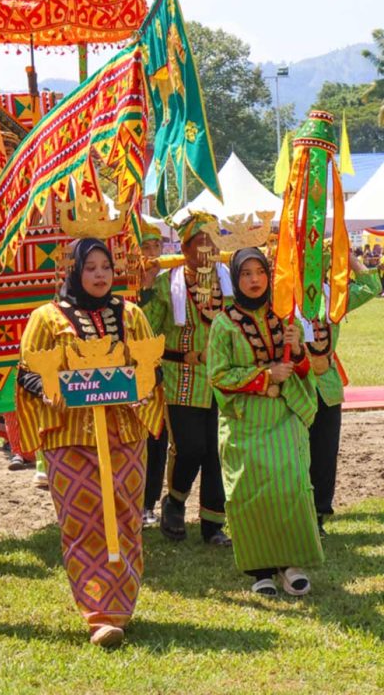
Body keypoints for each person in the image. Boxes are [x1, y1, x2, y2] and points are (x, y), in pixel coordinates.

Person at [15, 239, 163, 647]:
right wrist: (46, 390)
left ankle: (122, 609)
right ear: (75, 271)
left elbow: (150, 366)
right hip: (69, 437)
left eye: (106, 267)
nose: (99, 275)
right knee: (82, 522)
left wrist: (146, 387)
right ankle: (98, 614)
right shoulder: (46, 318)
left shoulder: (131, 314)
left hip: (124, 434)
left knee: (125, 518)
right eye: (91, 267)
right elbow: (26, 371)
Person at [208, 248, 322, 597]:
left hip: (285, 418)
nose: (254, 280)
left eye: (260, 272)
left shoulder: (285, 319)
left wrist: (298, 351)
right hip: (245, 422)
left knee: (290, 487)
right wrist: (264, 375)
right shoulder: (224, 323)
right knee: (250, 493)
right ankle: (260, 569)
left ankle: (290, 564)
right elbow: (218, 375)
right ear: (235, 278)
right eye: (246, 274)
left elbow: (305, 371)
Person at [141, 212, 230, 546]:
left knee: (217, 453)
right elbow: (148, 330)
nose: (206, 249)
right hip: (182, 377)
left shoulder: (228, 282)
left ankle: (212, 524)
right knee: (190, 447)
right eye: (198, 242)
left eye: (211, 240)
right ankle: (175, 501)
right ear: (185, 247)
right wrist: (147, 287)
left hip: (225, 380)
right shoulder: (168, 283)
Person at [304, 252, 380, 535]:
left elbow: (372, 287)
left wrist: (347, 256)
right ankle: (297, 513)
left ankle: (319, 514)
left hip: (327, 387)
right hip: (295, 386)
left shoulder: (332, 297)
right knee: (296, 453)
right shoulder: (284, 296)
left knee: (324, 453)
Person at [136, 231, 170, 528]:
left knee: (157, 440)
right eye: (145, 246)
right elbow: (141, 327)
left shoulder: (170, 283)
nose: (152, 252)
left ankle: (149, 503)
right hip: (127, 376)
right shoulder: (122, 281)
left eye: (156, 245)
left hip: (159, 376)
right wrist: (144, 288)